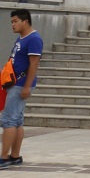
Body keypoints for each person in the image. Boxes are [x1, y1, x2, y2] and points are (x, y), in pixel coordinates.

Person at [0, 9, 42, 169]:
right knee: (17, 121)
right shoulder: (22, 38)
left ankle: (4, 158)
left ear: (26, 21)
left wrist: (26, 86)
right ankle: (15, 156)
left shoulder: (34, 39)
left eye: (15, 21)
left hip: (20, 85)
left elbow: (34, 64)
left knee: (8, 121)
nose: (12, 25)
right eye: (11, 22)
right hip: (15, 84)